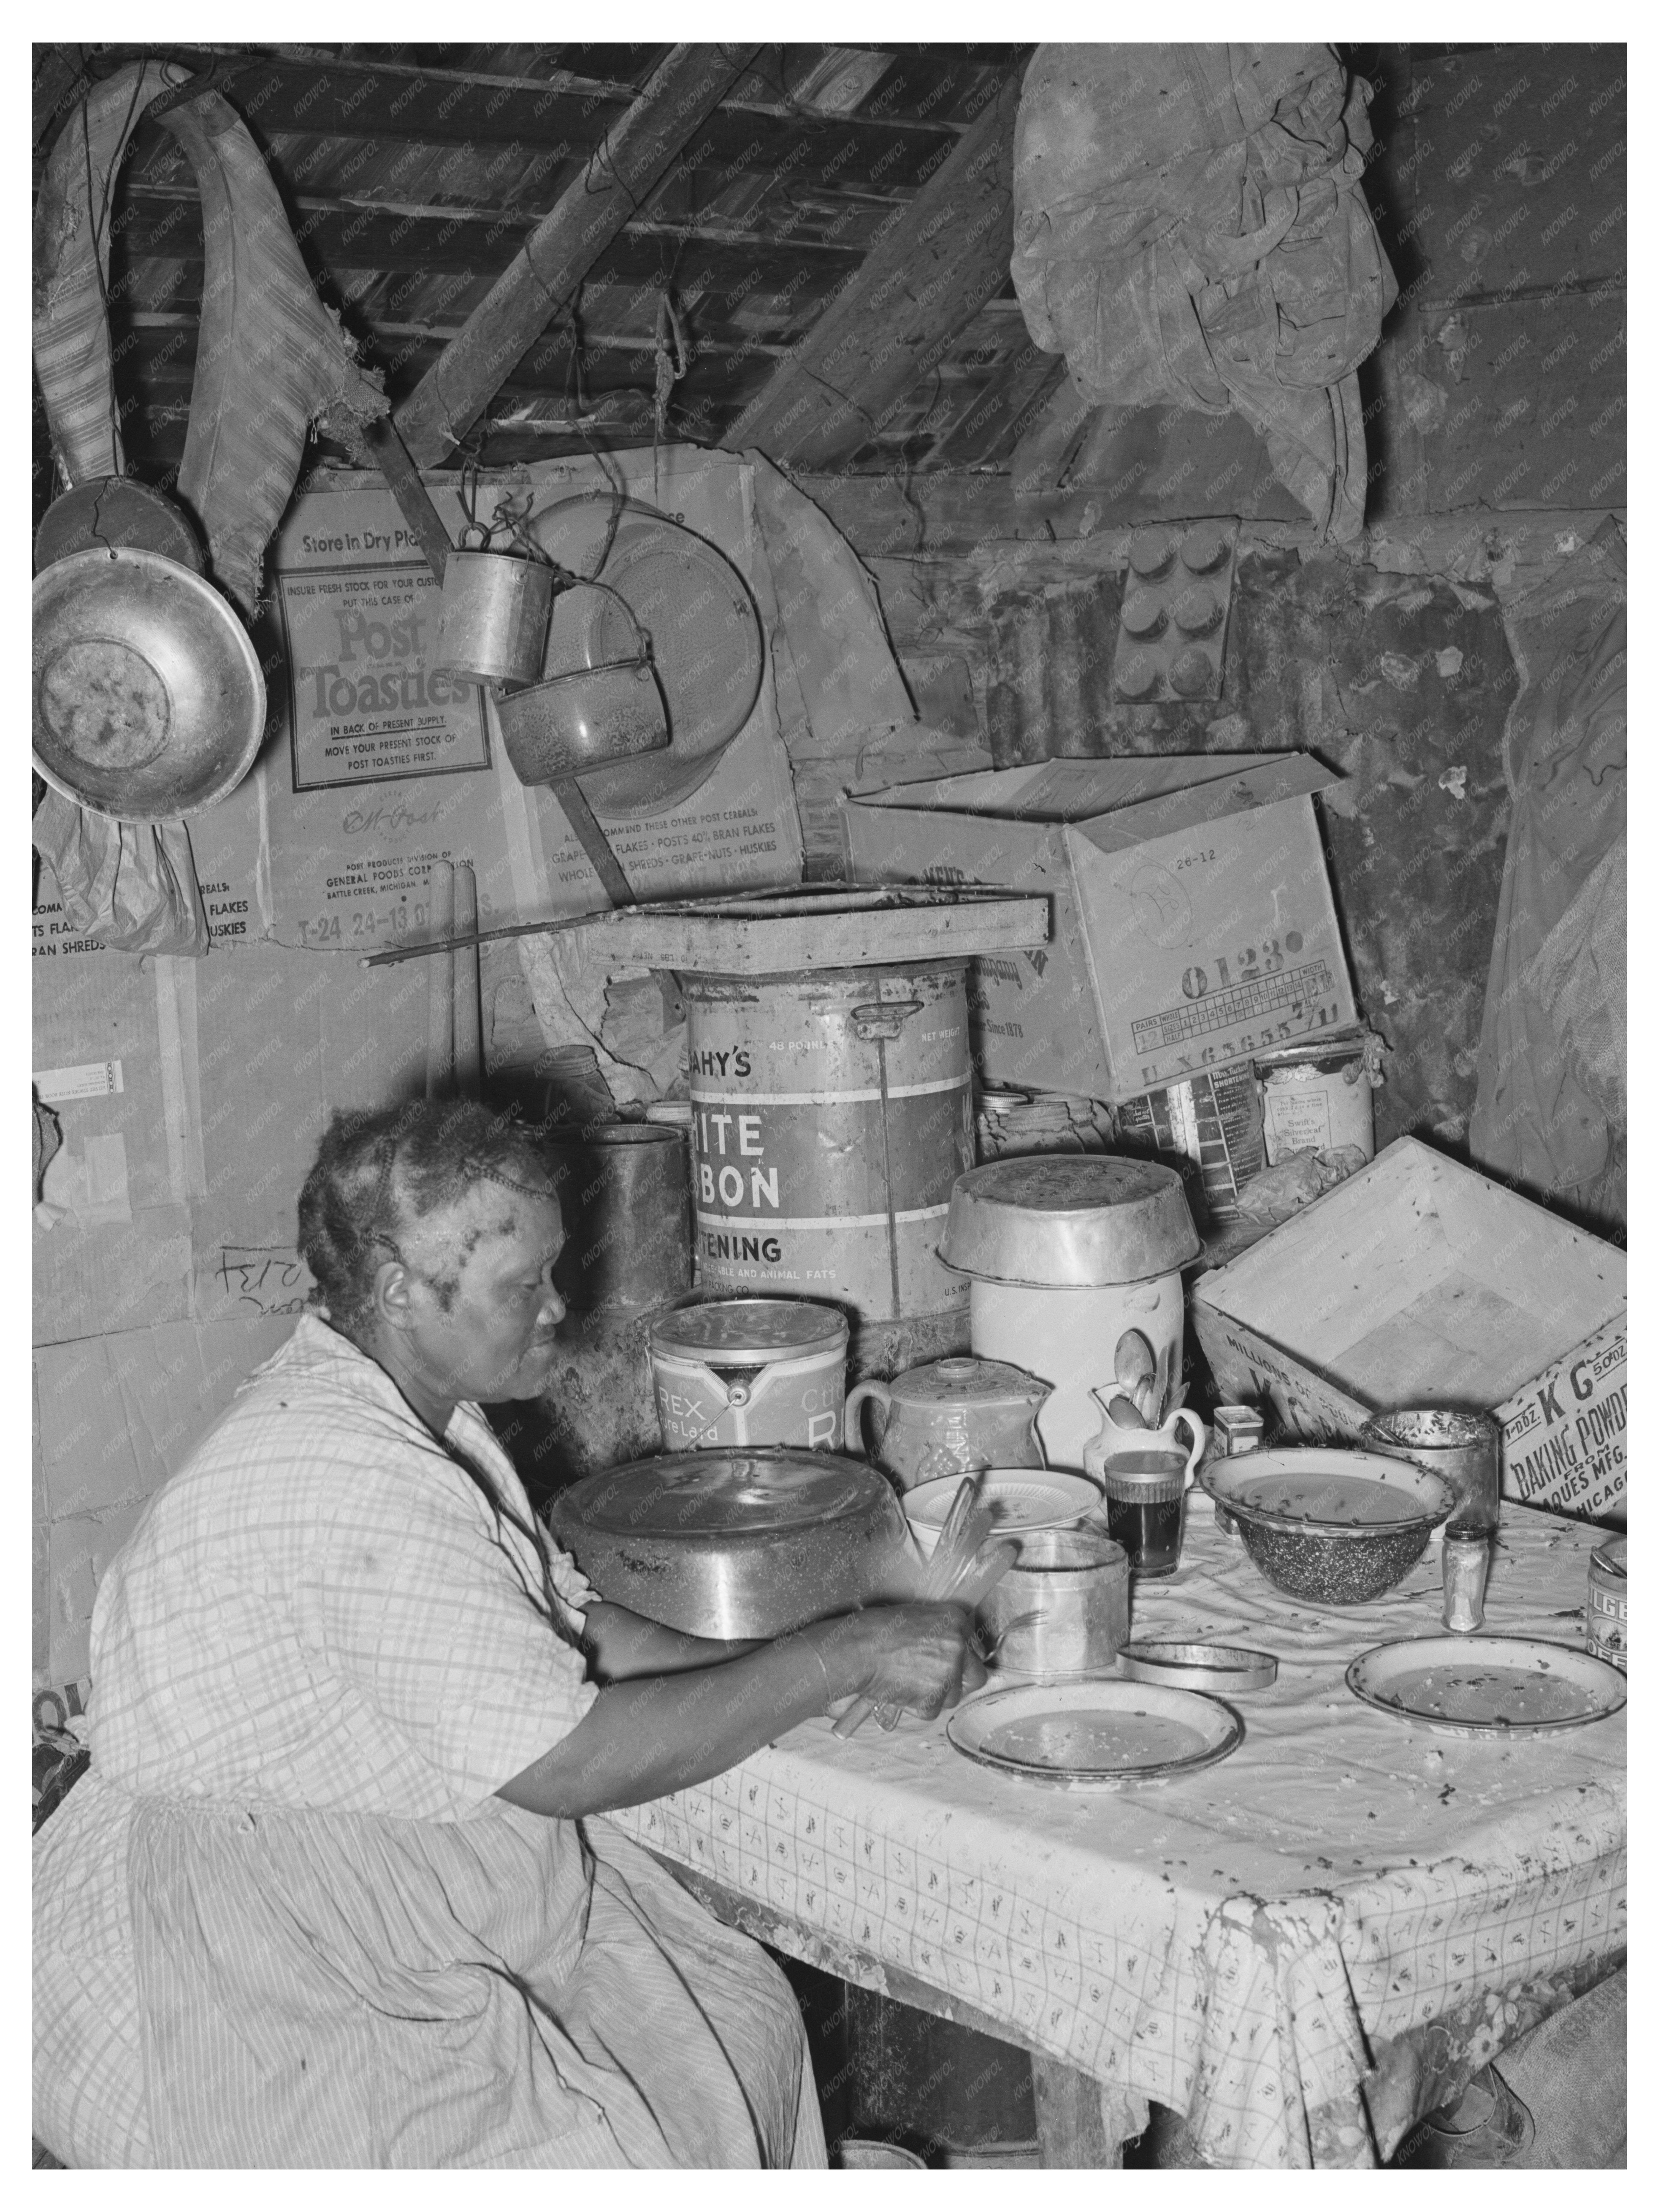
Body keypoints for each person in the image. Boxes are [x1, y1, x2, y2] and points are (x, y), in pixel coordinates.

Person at [33, 1100, 983, 2168]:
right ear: (401, 1292)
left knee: (739, 2027)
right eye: (520, 1287)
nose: (556, 1307)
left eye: (552, 1270)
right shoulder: (349, 1478)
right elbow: (565, 1760)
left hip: (395, 1869)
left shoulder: (417, 1412)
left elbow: (575, 1633)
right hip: (272, 1943)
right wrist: (836, 1657)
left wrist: (793, 1672)